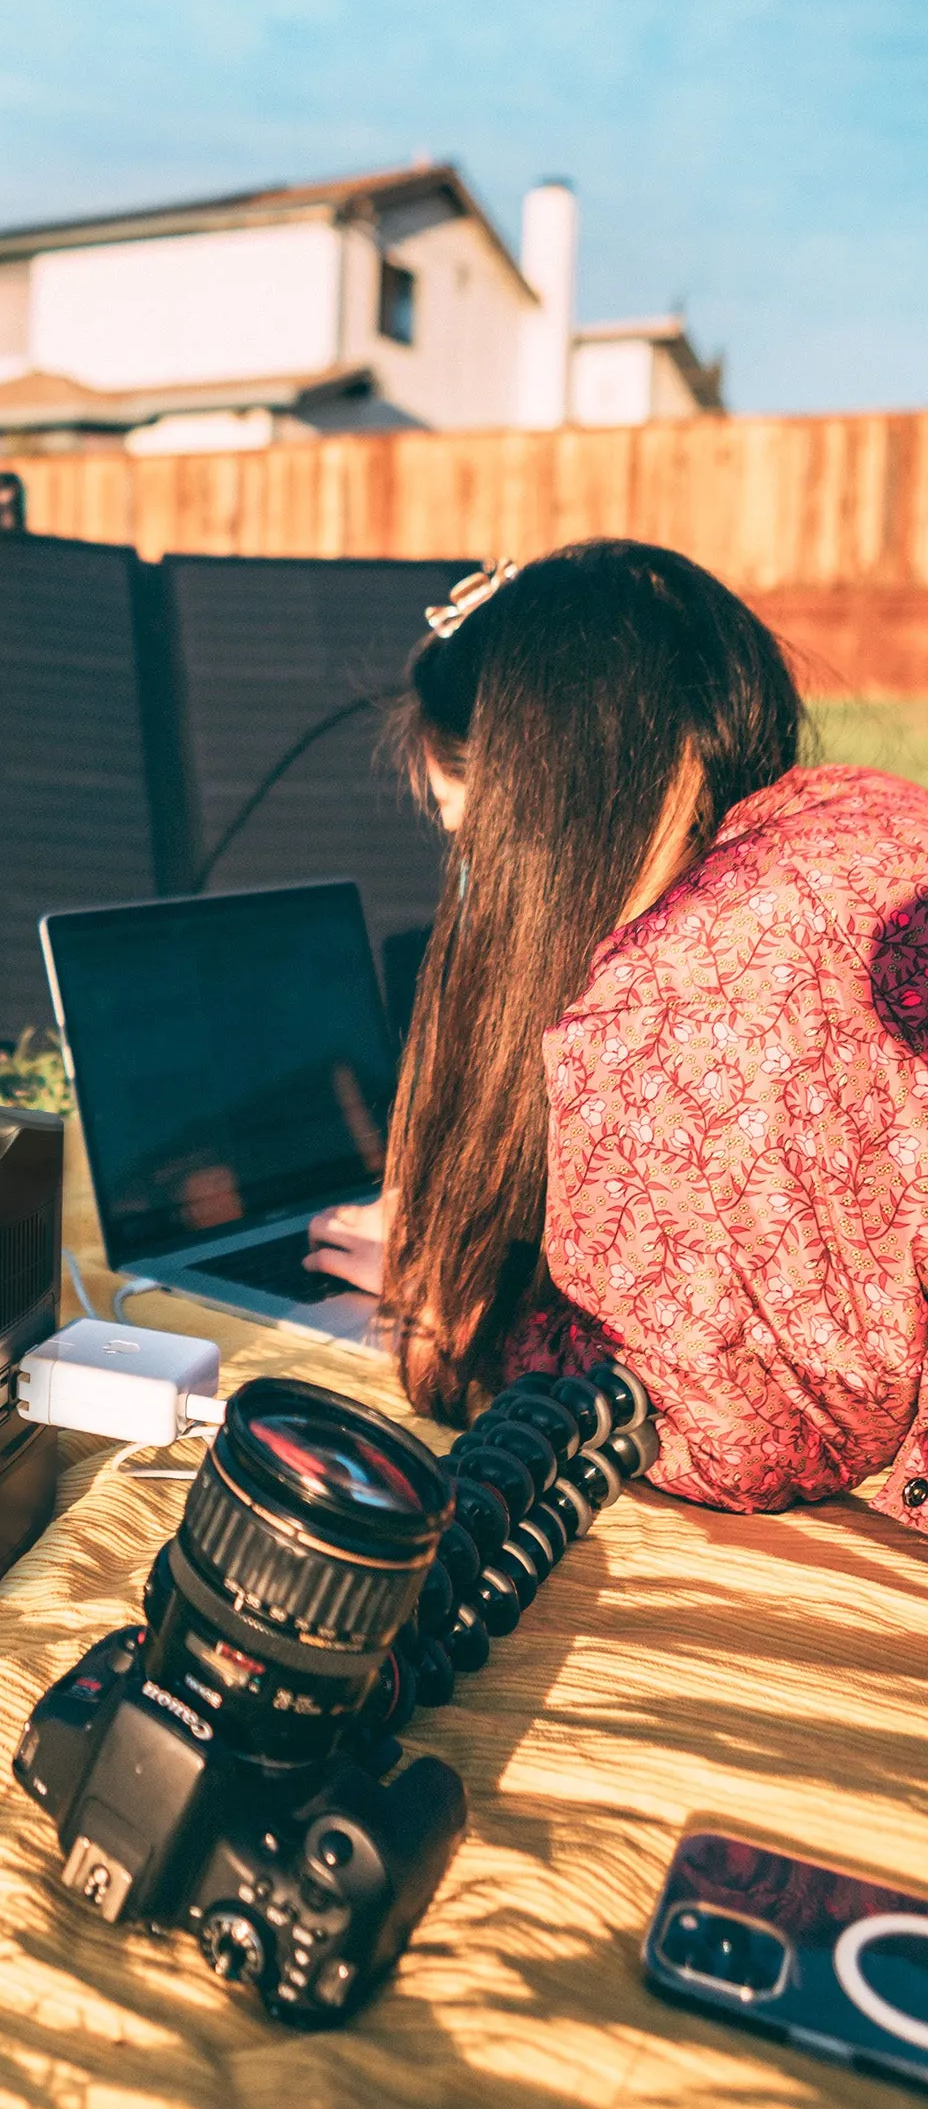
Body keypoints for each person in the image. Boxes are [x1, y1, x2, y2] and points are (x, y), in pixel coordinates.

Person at [305, 538, 928, 1534]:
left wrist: (471, 1327)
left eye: (472, 843)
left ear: (541, 810)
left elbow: (746, 1433)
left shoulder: (671, 992)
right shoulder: (858, 817)